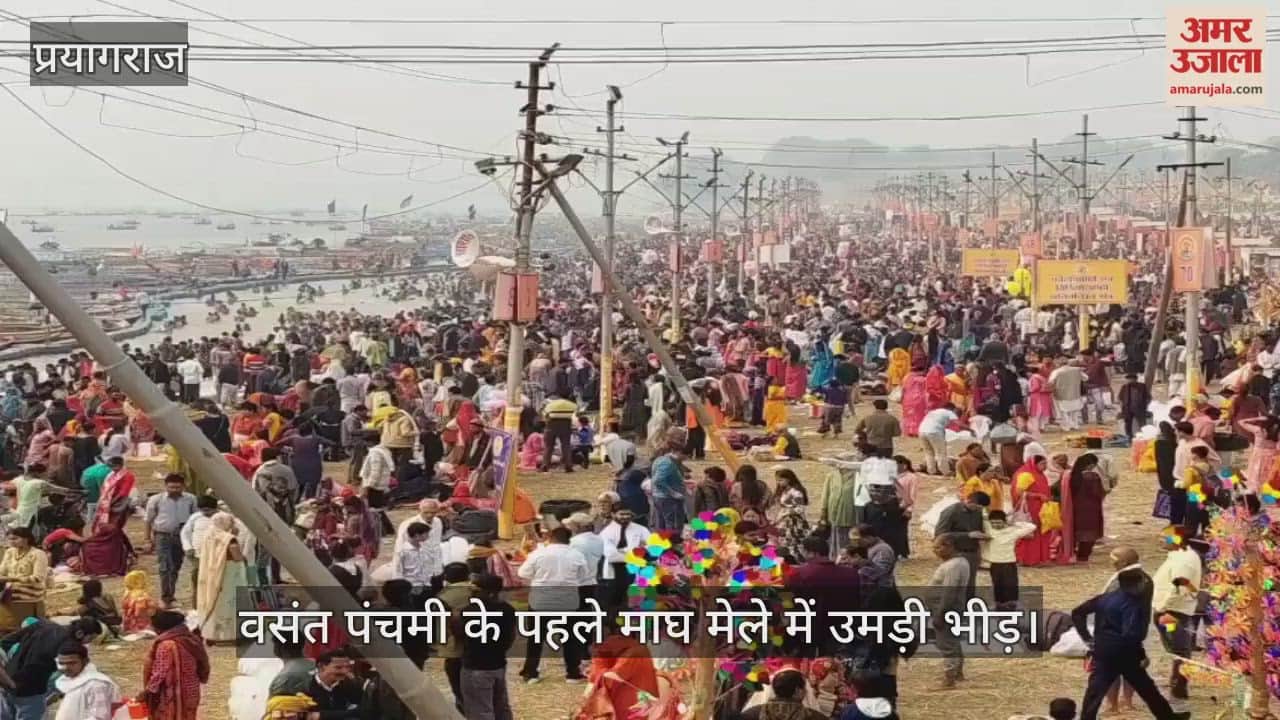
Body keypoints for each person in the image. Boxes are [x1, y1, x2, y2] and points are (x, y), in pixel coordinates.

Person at [1072, 568, 1185, 720]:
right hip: (1125, 653)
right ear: (1136, 585)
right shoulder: (1131, 604)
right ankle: (1167, 717)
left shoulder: (1105, 598)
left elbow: (1077, 613)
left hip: (1104, 650)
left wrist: (1087, 639)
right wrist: (1141, 654)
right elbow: (1130, 634)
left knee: (1095, 691)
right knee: (1146, 688)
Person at [517, 526, 592, 684]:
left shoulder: (538, 553)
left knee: (536, 637)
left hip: (540, 601)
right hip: (568, 601)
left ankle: (530, 672)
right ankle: (572, 673)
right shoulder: (576, 554)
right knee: (571, 638)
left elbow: (522, 573)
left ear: (550, 537)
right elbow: (584, 576)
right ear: (569, 539)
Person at [1, 618, 102, 720]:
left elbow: (6, 641)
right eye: (90, 638)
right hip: (31, 689)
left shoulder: (43, 624)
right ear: (80, 633)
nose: (89, 642)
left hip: (7, 680)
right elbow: (71, 673)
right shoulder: (70, 646)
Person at [1151, 527, 1202, 702]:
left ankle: (1179, 685)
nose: (1160, 539)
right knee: (1176, 648)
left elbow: (1178, 588)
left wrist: (1163, 608)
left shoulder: (1184, 561)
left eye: (1165, 537)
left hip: (1173, 612)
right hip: (1169, 610)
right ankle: (1176, 680)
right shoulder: (1179, 556)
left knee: (1180, 649)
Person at [456, 573, 516, 720]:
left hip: (475, 666)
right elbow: (511, 637)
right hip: (498, 664)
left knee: (480, 711)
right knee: (501, 707)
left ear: (489, 592)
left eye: (476, 591)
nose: (472, 593)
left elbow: (460, 635)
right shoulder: (507, 609)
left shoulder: (469, 611)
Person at [194, 512, 248, 644]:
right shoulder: (228, 539)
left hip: (211, 575)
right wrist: (243, 558)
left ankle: (211, 634)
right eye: (231, 522)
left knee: (214, 602)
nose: (234, 525)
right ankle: (230, 635)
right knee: (229, 604)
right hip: (228, 575)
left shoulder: (209, 535)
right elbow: (236, 555)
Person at [145, 474, 196, 608]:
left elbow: (195, 518)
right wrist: (147, 539)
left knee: (176, 566)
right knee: (164, 566)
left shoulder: (190, 499)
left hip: (181, 536)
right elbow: (148, 520)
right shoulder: (156, 500)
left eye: (177, 487)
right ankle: (165, 597)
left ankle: (171, 595)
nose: (174, 490)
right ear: (166, 486)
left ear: (183, 487)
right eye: (171, 487)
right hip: (162, 536)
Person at [928, 534, 971, 689]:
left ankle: (949, 679)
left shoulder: (954, 566)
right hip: (949, 608)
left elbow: (949, 592)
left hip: (947, 609)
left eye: (938, 547)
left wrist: (940, 614)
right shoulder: (957, 562)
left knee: (946, 643)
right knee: (952, 640)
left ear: (950, 546)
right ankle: (958, 673)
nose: (935, 551)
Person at [933, 490, 989, 597]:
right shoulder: (951, 511)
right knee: (954, 587)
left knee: (969, 587)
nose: (978, 509)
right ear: (969, 501)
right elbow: (940, 535)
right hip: (956, 553)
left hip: (973, 554)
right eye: (977, 507)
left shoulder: (978, 512)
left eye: (980, 508)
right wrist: (967, 535)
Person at [49, 641, 122, 720]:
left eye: (72, 663)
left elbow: (99, 717)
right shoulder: (71, 679)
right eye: (62, 663)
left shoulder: (95, 684)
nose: (65, 668)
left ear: (85, 661)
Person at [1011, 456, 1057, 567]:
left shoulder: (1040, 475)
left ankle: (1041, 558)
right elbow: (1019, 492)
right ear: (1034, 464)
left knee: (1042, 532)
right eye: (1042, 464)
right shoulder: (1026, 475)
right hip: (1031, 508)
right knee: (1031, 532)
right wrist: (1038, 495)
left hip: (1041, 508)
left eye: (1046, 463)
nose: (1045, 467)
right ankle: (1029, 559)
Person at [982, 510, 1036, 605]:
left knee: (1011, 587)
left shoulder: (1012, 532)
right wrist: (987, 518)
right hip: (995, 564)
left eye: (998, 523)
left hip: (1009, 564)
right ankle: (999, 608)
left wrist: (1014, 523)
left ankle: (1011, 607)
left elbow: (1032, 527)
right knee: (997, 587)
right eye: (993, 523)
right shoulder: (989, 530)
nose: (996, 525)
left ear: (1004, 521)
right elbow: (982, 516)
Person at [0, 528, 49, 630]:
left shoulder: (38, 554)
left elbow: (38, 578)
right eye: (10, 539)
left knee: (26, 628)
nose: (11, 542)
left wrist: (11, 579)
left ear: (26, 539)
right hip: (10, 591)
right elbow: (2, 571)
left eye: (15, 539)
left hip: (30, 593)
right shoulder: (10, 552)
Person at [741, 669, 828, 720]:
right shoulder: (815, 717)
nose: (806, 691)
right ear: (798, 691)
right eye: (804, 688)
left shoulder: (750, 714)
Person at [305, 648, 363, 718]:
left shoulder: (349, 684)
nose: (345, 671)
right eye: (338, 667)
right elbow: (307, 716)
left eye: (347, 667)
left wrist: (322, 715)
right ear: (321, 667)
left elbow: (363, 710)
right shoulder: (306, 686)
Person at [1069, 454, 1106, 561]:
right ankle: (1083, 555)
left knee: (1077, 530)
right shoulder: (1092, 477)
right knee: (1089, 532)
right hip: (1091, 508)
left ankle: (1074, 551)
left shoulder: (1072, 475)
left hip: (1076, 507)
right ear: (1090, 465)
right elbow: (1097, 492)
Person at [179, 494, 217, 599]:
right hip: (198, 555)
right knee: (198, 581)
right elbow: (185, 533)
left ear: (215, 508)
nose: (206, 513)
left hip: (216, 555)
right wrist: (188, 547)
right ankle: (197, 607)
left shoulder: (221, 518)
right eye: (204, 510)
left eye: (209, 510)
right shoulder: (195, 517)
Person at [771, 468, 811, 560]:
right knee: (785, 541)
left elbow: (800, 509)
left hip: (794, 522)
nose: (778, 482)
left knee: (794, 542)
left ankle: (797, 559)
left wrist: (786, 513)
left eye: (780, 480)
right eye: (777, 480)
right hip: (784, 520)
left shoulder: (796, 492)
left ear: (788, 479)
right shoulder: (785, 491)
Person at [917, 403, 958, 475]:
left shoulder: (933, 412)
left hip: (922, 431)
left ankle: (931, 471)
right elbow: (958, 422)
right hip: (934, 432)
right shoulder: (949, 412)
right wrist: (970, 429)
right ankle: (945, 471)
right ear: (951, 408)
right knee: (940, 453)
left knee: (929, 452)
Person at [1116, 373, 1151, 438]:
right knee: (1128, 425)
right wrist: (1121, 406)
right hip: (1127, 409)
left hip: (1140, 408)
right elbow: (1119, 398)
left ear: (1135, 379)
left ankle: (1145, 436)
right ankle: (1129, 437)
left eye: (1131, 379)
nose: (1129, 381)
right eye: (1128, 379)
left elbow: (1148, 397)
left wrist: (1145, 405)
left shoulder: (1142, 386)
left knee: (1142, 424)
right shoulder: (1124, 387)